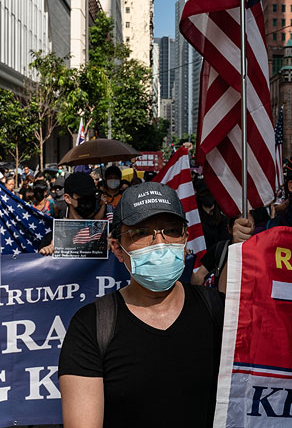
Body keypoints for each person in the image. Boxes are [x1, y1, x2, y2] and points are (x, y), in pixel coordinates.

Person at [58, 182, 223, 427]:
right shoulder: (91, 327)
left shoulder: (221, 312)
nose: (160, 243)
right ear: (117, 247)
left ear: (186, 239)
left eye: (172, 230)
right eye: (141, 233)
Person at [39, 172, 101, 255]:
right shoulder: (51, 238)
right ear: (68, 198)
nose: (89, 201)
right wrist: (46, 254)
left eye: (92, 196)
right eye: (83, 197)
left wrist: (113, 249)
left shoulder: (104, 233)